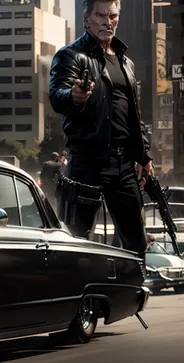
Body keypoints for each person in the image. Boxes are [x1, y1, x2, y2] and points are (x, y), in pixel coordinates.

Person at [49, 0, 150, 257]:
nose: (108, 21)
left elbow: (132, 115)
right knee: (76, 241)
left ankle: (132, 295)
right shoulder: (71, 55)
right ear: (87, 20)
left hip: (123, 165)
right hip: (86, 163)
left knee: (136, 244)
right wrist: (73, 96)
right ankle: (80, 295)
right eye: (101, 15)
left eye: (113, 15)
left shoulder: (126, 64)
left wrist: (144, 155)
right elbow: (57, 94)